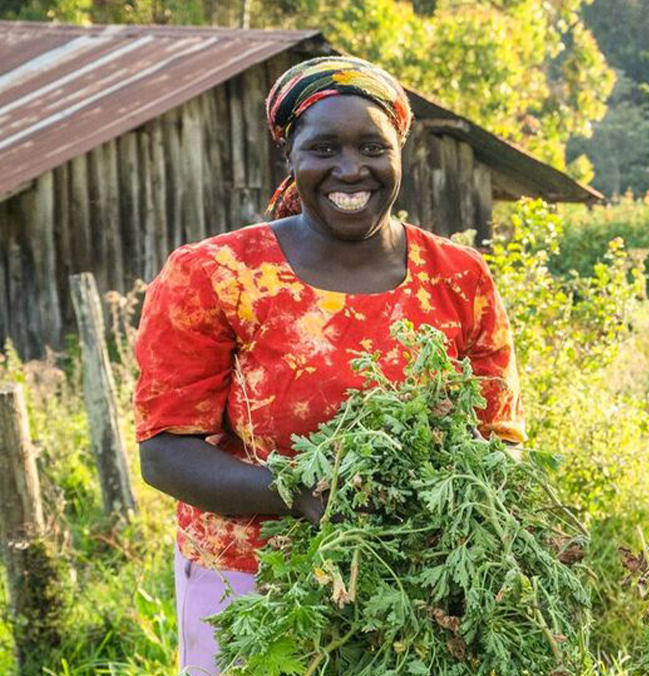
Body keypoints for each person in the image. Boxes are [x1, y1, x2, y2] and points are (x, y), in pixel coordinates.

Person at [133, 57, 523, 675]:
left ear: (400, 153)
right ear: (290, 156)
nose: (350, 169)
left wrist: (460, 522)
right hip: (252, 589)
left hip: (417, 589)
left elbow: (498, 441)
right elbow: (165, 451)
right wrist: (303, 496)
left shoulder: (458, 278)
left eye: (372, 146)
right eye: (323, 148)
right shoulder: (217, 275)